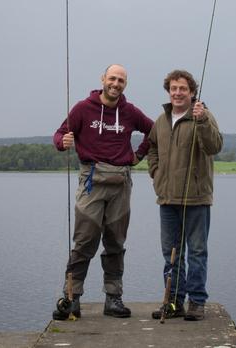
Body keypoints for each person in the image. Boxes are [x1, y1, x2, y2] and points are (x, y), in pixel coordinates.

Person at [52, 64, 153, 320]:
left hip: (121, 182)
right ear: (103, 80)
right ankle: (72, 299)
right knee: (85, 241)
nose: (116, 83)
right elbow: (61, 133)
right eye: (112, 78)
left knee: (115, 242)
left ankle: (114, 298)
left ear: (125, 84)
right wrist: (61, 143)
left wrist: (138, 155)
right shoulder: (82, 109)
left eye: (121, 80)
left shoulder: (130, 112)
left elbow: (154, 131)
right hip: (91, 181)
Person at [148, 69, 222, 321]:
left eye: (183, 89)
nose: (177, 93)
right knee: (171, 253)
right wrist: (155, 172)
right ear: (169, 91)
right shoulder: (161, 120)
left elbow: (215, 146)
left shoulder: (203, 116)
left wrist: (202, 122)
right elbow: (152, 148)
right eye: (173, 88)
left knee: (197, 252)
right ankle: (173, 302)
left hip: (197, 199)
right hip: (167, 199)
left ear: (192, 92)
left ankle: (197, 303)